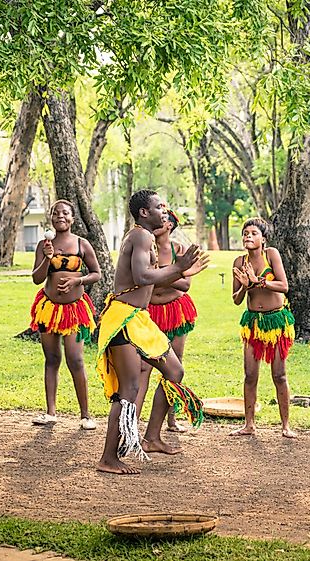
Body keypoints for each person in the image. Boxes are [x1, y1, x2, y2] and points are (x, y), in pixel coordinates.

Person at [95, 190, 208, 474]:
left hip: (139, 319)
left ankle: (152, 436)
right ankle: (108, 457)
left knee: (174, 372)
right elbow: (143, 277)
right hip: (123, 318)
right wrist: (178, 267)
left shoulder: (145, 238)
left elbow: (159, 279)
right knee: (129, 389)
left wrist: (181, 271)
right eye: (159, 207)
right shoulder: (141, 236)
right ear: (144, 212)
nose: (164, 211)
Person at [29, 199, 101, 430]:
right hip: (49, 308)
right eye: (56, 212)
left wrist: (77, 280)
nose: (60, 216)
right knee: (51, 359)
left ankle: (85, 415)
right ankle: (51, 413)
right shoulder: (44, 244)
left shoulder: (82, 244)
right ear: (51, 218)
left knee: (76, 359)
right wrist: (48, 258)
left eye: (65, 213)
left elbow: (96, 274)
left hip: (75, 309)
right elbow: (37, 279)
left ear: (72, 218)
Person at [230, 217, 296, 438]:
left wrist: (259, 282)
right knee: (250, 375)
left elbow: (284, 286)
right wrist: (245, 287)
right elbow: (236, 299)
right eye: (245, 233)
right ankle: (249, 424)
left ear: (263, 238)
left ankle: (286, 425)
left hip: (275, 320)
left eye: (253, 233)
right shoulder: (239, 262)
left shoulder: (272, 255)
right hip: (253, 323)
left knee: (279, 375)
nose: (248, 236)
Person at [134, 209, 197, 434]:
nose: (158, 222)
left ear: (170, 226)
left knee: (174, 365)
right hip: (150, 311)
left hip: (176, 310)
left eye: (163, 220)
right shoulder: (144, 247)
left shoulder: (179, 250)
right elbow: (143, 282)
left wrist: (161, 274)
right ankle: (133, 422)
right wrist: (172, 274)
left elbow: (185, 285)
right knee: (144, 366)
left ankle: (170, 420)